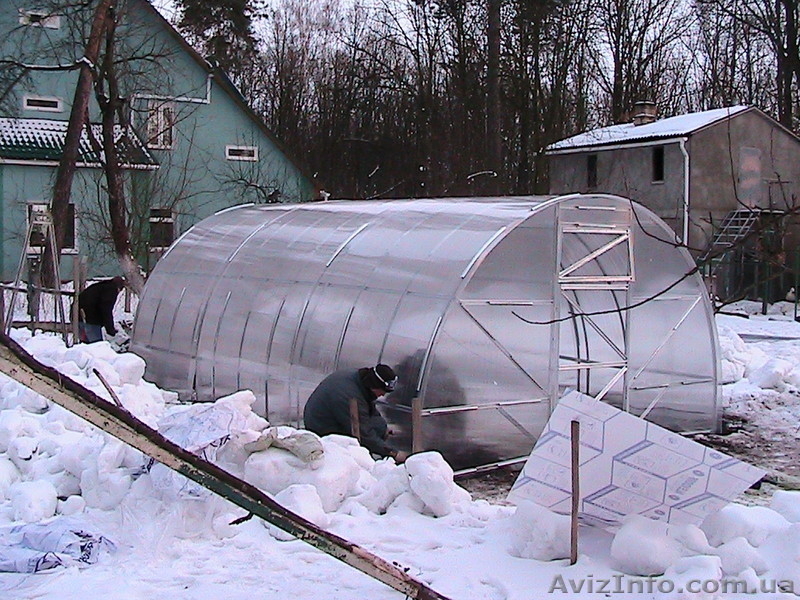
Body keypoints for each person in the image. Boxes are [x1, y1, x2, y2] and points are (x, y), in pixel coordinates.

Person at [303, 364, 409, 463]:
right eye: (382, 391)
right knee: (359, 445)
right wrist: (393, 453)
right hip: (321, 426)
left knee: (378, 427)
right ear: (374, 385)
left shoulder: (360, 380)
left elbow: (369, 408)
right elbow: (363, 434)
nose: (383, 395)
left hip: (334, 415)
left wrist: (384, 428)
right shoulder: (349, 396)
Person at [75, 276, 126, 343]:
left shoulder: (102, 286)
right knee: (96, 346)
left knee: (86, 346)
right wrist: (110, 330)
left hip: (78, 314)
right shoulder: (111, 290)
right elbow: (106, 310)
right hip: (90, 319)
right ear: (119, 288)